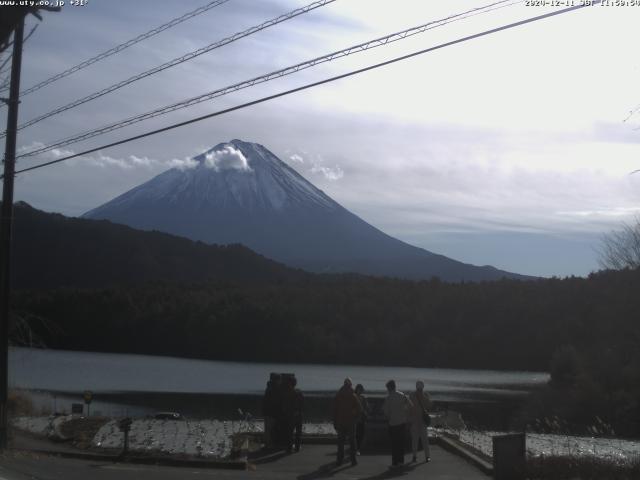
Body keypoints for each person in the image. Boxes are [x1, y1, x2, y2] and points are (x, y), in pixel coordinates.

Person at [333, 378, 362, 466]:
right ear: (350, 385)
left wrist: (335, 421)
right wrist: (355, 418)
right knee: (352, 442)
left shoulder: (338, 395)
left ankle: (339, 460)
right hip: (351, 422)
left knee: (340, 442)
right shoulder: (353, 396)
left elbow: (334, 409)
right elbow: (359, 409)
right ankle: (353, 460)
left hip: (340, 421)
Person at [382, 379, 412, 467]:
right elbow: (410, 405)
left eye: (387, 388)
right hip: (402, 423)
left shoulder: (388, 398)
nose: (387, 389)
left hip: (393, 424)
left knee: (394, 444)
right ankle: (401, 462)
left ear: (389, 387)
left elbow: (385, 411)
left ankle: (394, 463)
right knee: (401, 443)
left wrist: (389, 417)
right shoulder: (402, 395)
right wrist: (405, 413)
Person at [408, 380, 432, 463]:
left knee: (424, 439)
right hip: (414, 420)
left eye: (420, 388)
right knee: (414, 439)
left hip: (422, 421)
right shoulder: (411, 395)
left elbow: (429, 406)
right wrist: (409, 419)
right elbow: (408, 408)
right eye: (419, 388)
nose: (419, 390)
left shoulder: (426, 395)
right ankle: (414, 456)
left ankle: (427, 456)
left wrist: (423, 397)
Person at [262, 374, 281, 449]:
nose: (280, 381)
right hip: (272, 412)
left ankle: (267, 444)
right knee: (270, 429)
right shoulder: (274, 389)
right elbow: (275, 402)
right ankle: (269, 444)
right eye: (279, 380)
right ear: (276, 380)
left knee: (267, 429)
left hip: (267, 412)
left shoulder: (269, 388)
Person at [354, 384, 369, 455]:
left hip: (361, 419)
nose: (360, 391)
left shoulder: (363, 398)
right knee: (356, 435)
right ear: (356, 389)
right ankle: (356, 449)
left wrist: (365, 412)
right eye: (359, 389)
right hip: (355, 419)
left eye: (361, 389)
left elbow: (367, 407)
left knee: (361, 434)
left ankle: (358, 449)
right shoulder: (353, 397)